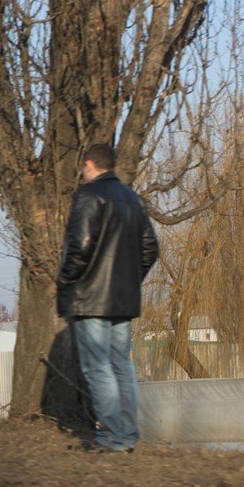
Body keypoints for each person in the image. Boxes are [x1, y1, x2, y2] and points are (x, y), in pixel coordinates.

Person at [56, 144, 158, 453]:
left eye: (82, 169)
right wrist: (127, 281)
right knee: (121, 367)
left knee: (98, 368)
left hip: (90, 299)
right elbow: (150, 249)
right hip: (122, 300)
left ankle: (112, 438)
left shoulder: (88, 196)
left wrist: (65, 280)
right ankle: (127, 436)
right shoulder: (133, 199)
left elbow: (81, 246)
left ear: (89, 165)